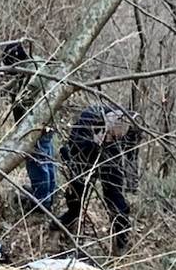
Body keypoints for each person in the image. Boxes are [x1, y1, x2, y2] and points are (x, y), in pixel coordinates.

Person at [55, 104, 142, 254]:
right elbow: (71, 150)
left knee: (115, 197)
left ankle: (121, 236)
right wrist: (93, 145)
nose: (111, 137)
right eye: (110, 135)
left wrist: (131, 182)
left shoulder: (131, 126)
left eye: (116, 136)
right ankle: (70, 217)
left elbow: (131, 155)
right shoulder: (88, 119)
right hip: (85, 152)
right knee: (76, 191)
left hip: (111, 155)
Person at [2, 42, 57, 211]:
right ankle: (47, 195)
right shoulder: (32, 66)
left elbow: (26, 96)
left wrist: (18, 104)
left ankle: (41, 201)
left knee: (37, 162)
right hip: (43, 122)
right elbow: (14, 86)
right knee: (46, 159)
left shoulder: (35, 71)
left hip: (36, 125)